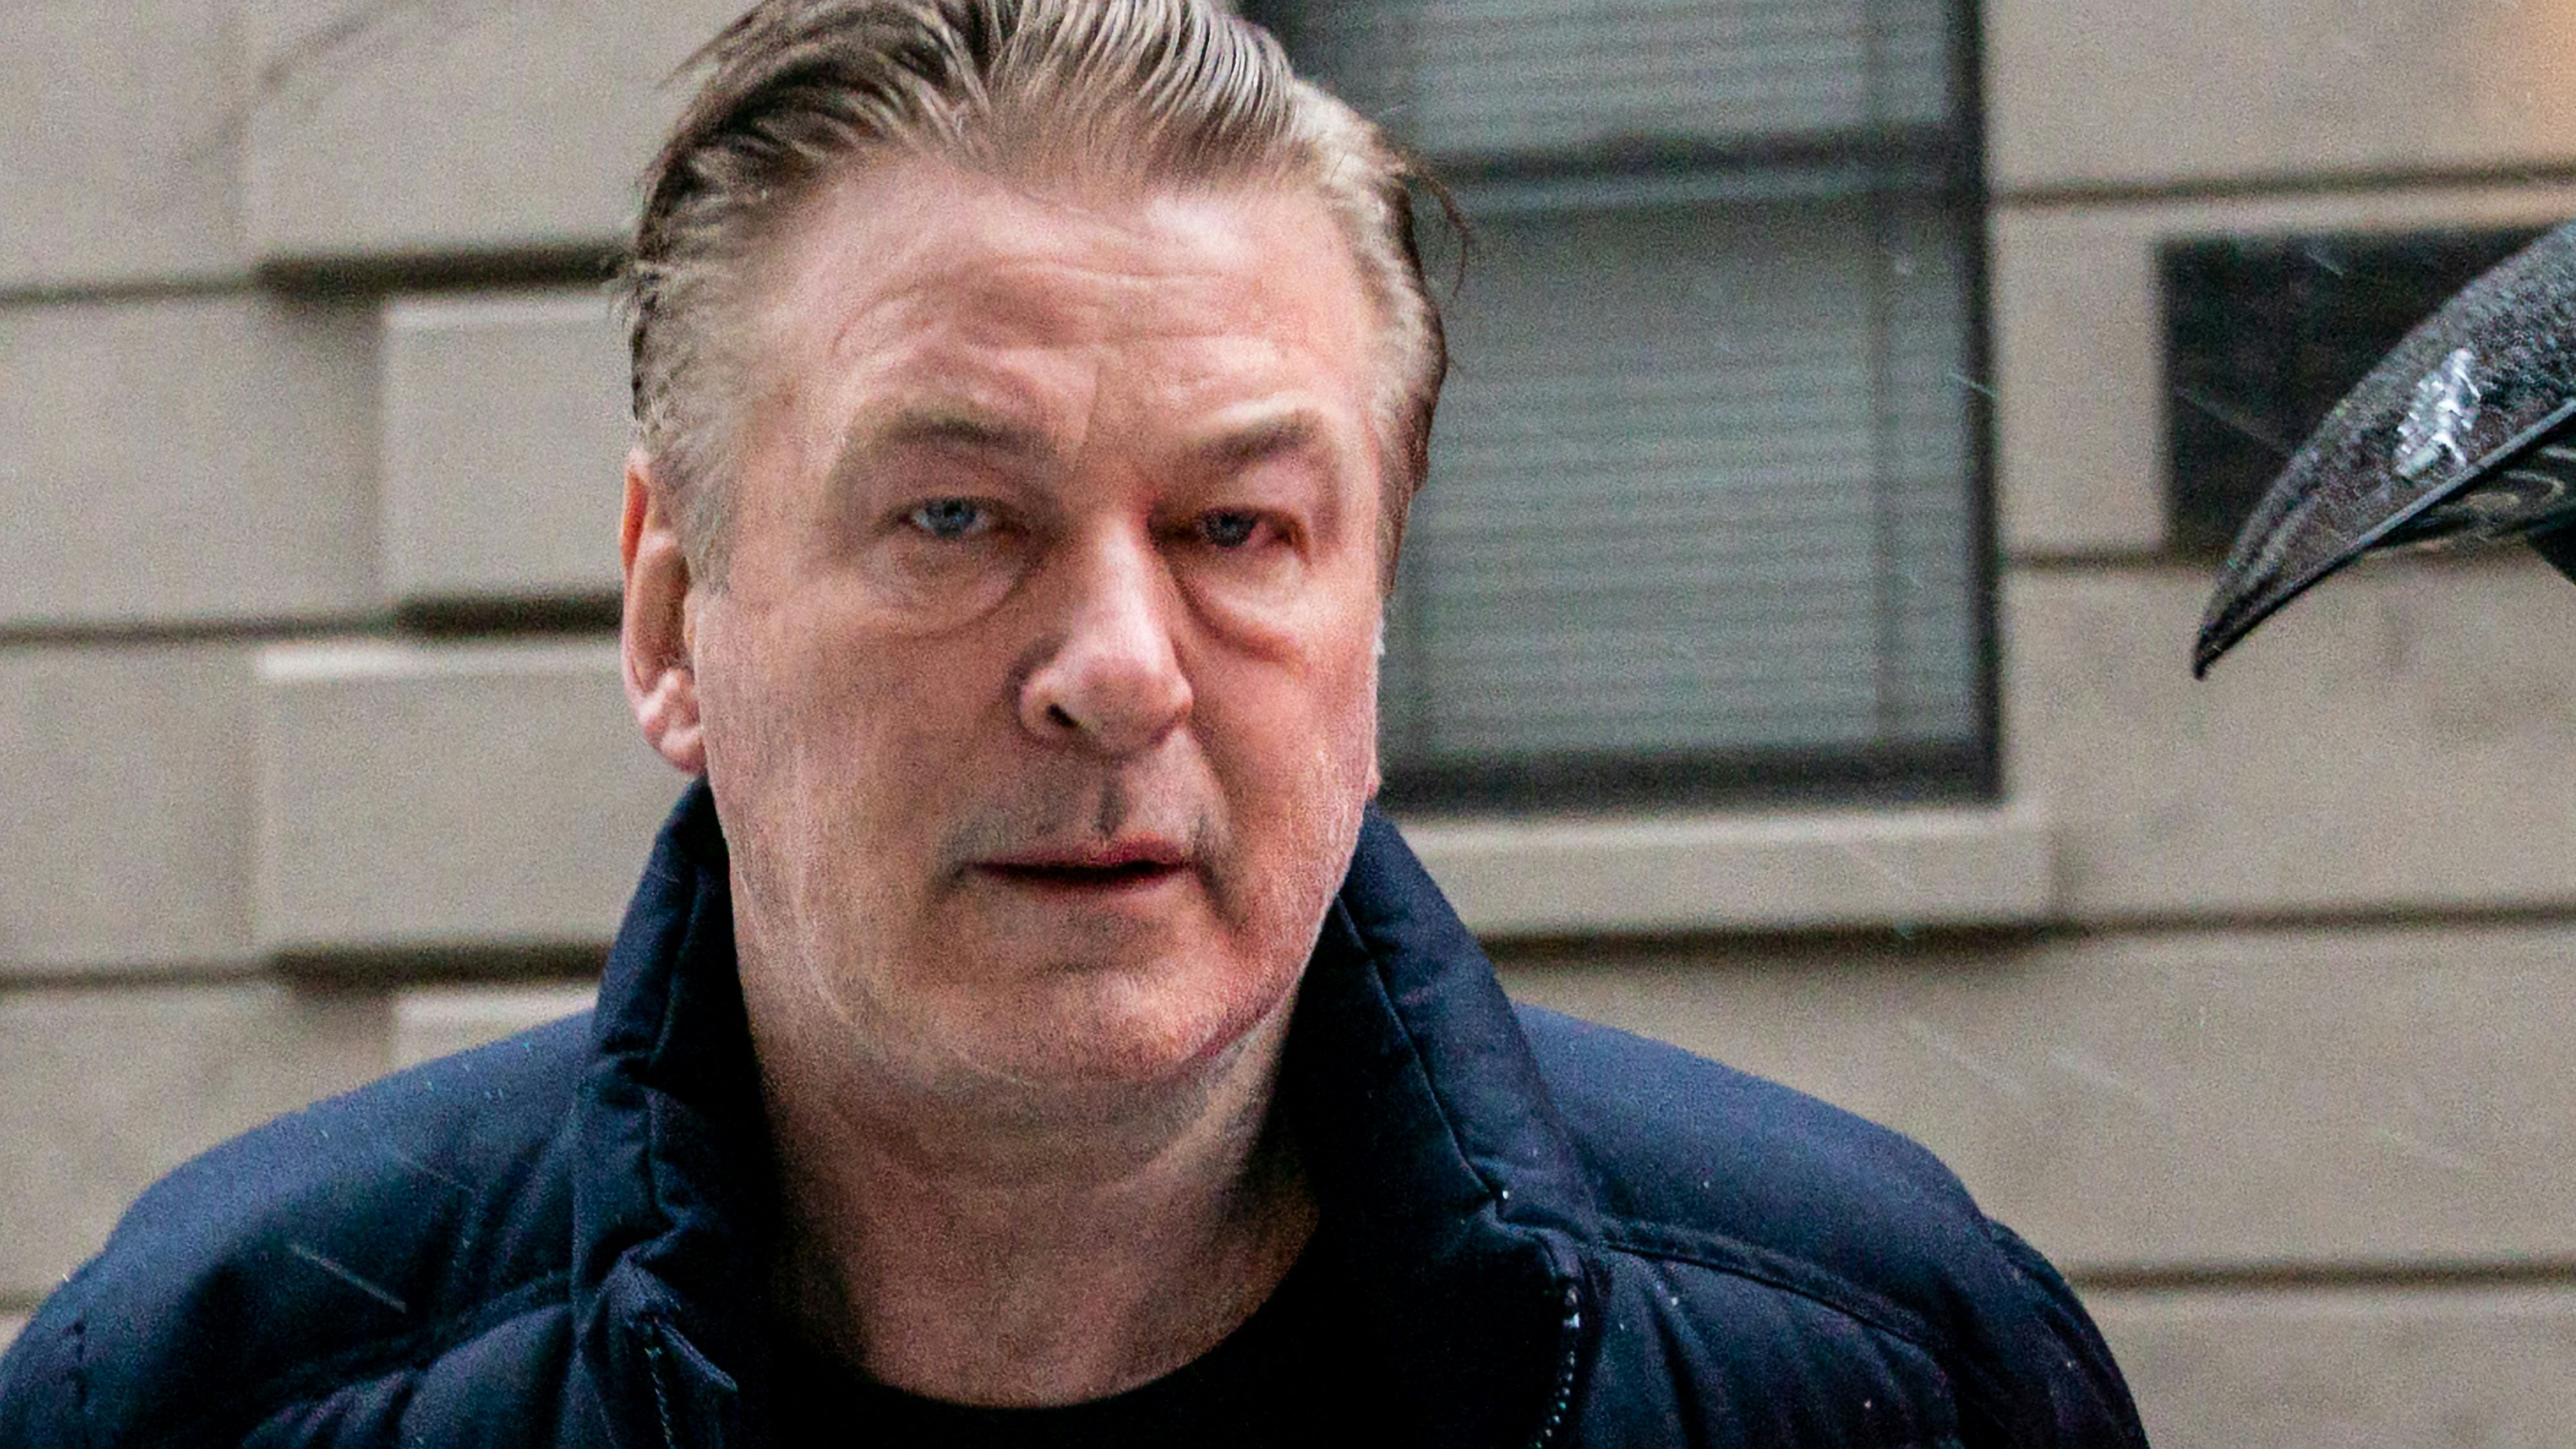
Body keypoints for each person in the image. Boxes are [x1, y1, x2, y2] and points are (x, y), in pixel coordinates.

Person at [0, 2, 2146, 1444]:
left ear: (1376, 614)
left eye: (1237, 526)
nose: (1119, 665)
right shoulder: (207, 1390)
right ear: (671, 618)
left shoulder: (1880, 1373)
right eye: (957, 517)